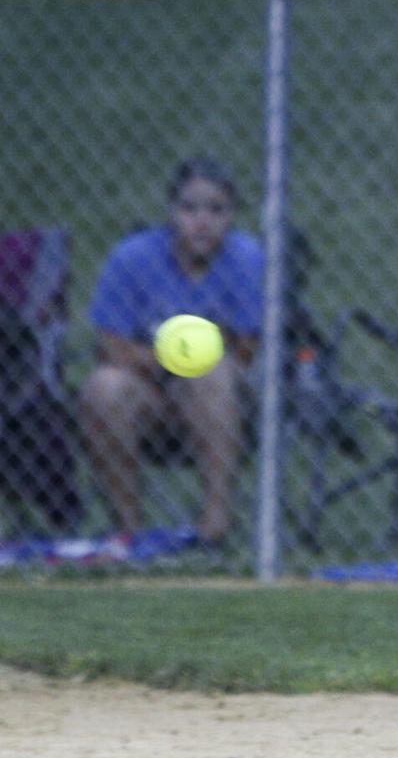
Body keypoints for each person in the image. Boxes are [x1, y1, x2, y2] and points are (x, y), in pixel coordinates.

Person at [80, 157, 263, 545]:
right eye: (189, 208)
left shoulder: (247, 259)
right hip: (151, 396)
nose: (202, 221)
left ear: (232, 216)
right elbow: (109, 345)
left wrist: (195, 363)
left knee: (212, 372)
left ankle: (213, 528)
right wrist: (174, 358)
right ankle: (129, 534)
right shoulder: (132, 258)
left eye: (216, 210)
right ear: (170, 212)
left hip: (224, 402)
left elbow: (247, 347)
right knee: (104, 386)